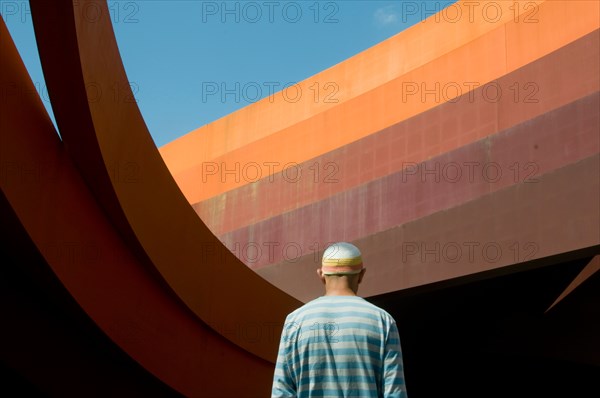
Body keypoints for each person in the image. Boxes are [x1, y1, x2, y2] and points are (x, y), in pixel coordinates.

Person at [272, 242, 407, 397]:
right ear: (361, 275)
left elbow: (281, 392)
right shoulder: (383, 321)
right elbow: (395, 393)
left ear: (321, 274)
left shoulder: (294, 322)